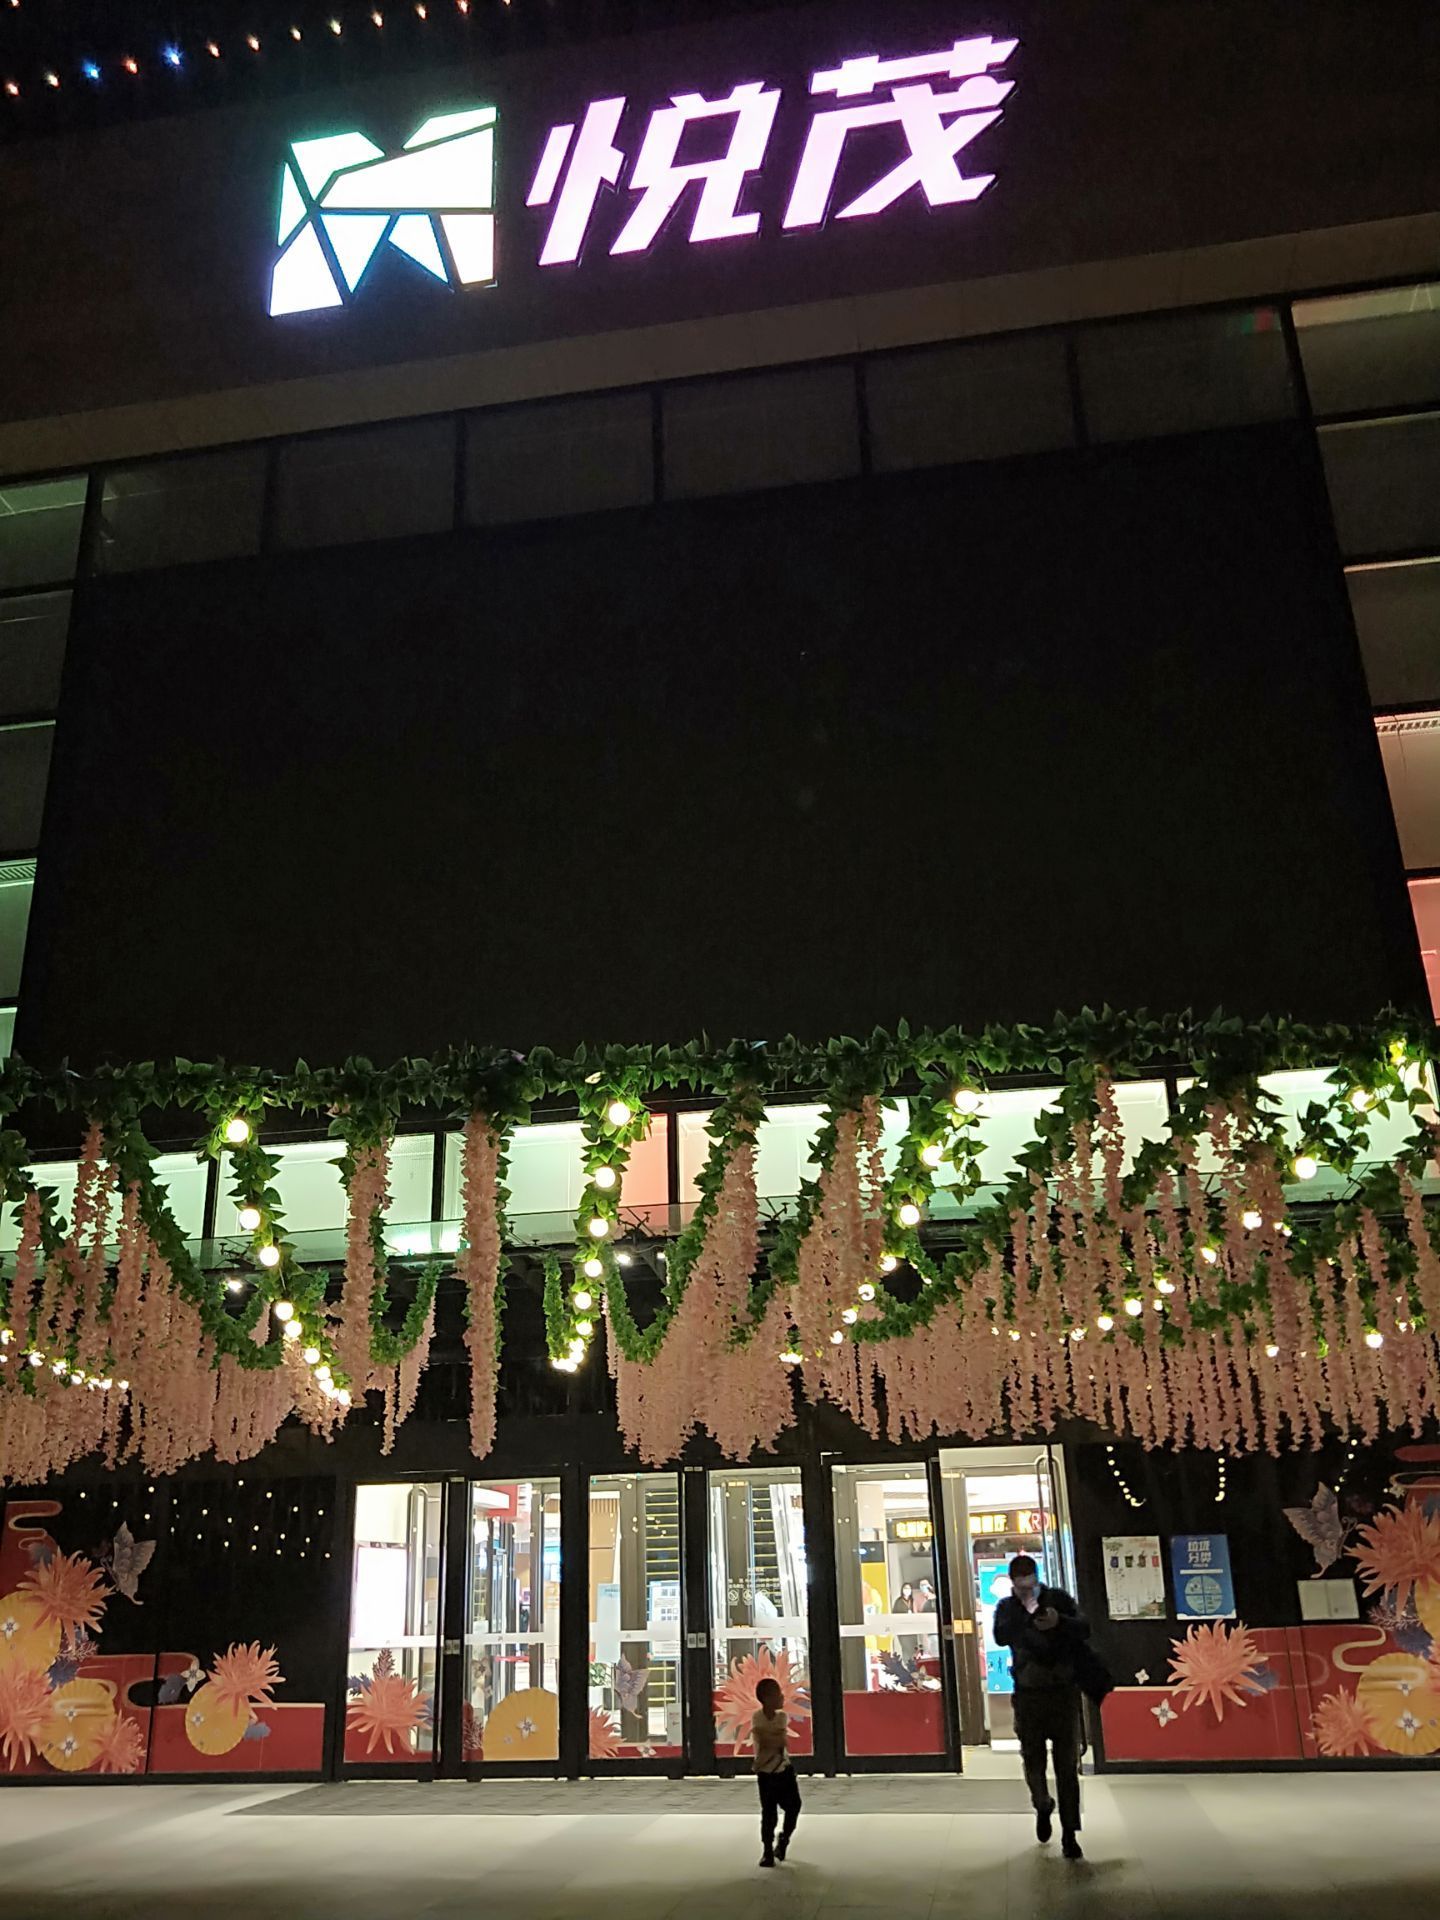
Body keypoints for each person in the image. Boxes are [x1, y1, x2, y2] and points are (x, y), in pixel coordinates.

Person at [992, 1554, 1088, 1861]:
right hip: (1028, 1695)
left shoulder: (1058, 1599)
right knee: (1033, 1760)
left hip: (1062, 1693)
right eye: (1020, 1587)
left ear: (1037, 1578)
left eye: (1030, 1585)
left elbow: (1084, 1628)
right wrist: (1025, 1614)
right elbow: (1000, 1636)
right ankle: (1042, 1803)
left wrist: (1060, 1622)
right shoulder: (1007, 1608)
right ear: (1013, 1584)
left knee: (1066, 1766)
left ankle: (1070, 1834)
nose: (1026, 1591)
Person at [751, 1675, 801, 1868]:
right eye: (777, 1694)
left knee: (794, 1807)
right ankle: (767, 1851)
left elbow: (779, 1742)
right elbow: (766, 1741)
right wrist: (772, 1739)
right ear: (766, 1698)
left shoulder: (781, 1717)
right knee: (769, 1813)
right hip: (765, 1772)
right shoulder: (757, 1716)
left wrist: (769, 1738)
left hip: (783, 1769)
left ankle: (784, 1839)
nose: (781, 1697)